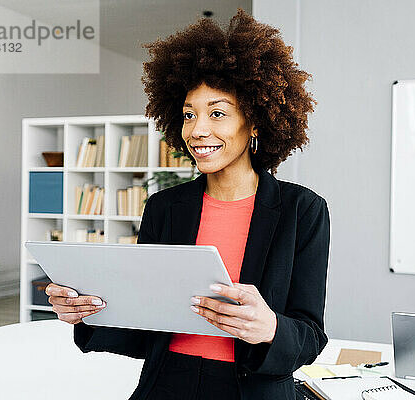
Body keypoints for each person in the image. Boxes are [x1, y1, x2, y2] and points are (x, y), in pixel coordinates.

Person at [45, 9, 330, 400]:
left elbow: (310, 337)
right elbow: (143, 331)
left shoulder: (303, 211)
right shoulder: (165, 207)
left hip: (254, 390)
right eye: (188, 115)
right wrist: (88, 313)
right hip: (167, 385)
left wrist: (270, 328)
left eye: (217, 113)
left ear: (256, 121)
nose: (198, 130)